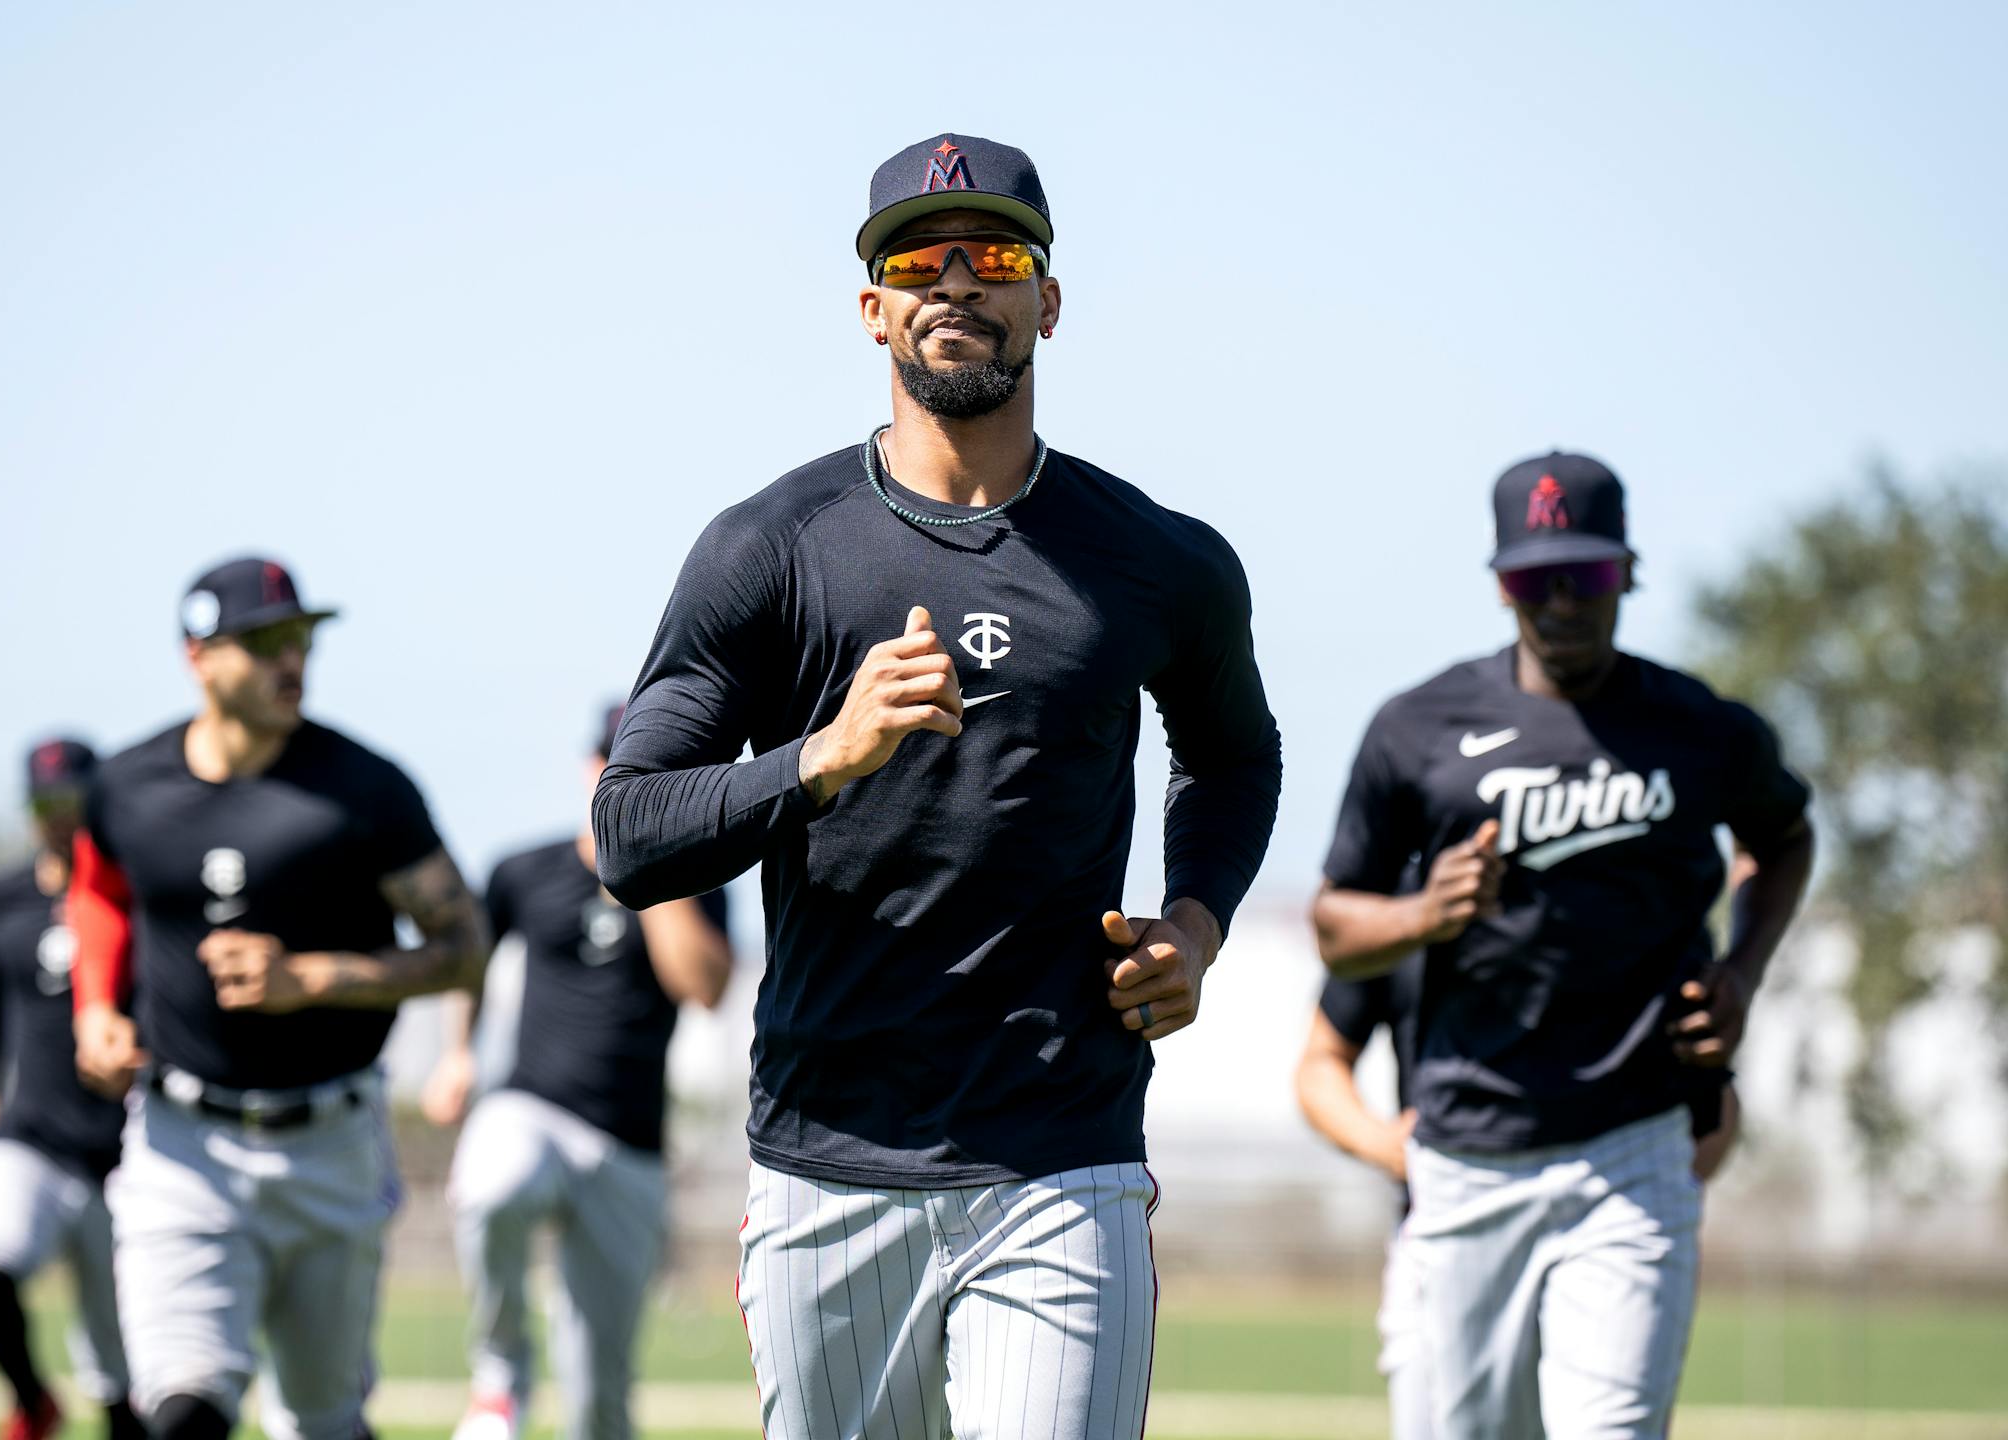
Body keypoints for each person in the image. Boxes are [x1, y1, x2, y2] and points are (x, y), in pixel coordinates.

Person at [591, 134, 1282, 1440]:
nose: (956, 283)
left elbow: (1234, 755)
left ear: (1050, 302)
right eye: (918, 259)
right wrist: (822, 760)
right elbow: (629, 833)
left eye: (997, 256)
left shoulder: (1159, 561)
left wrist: (1196, 925)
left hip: (1060, 1156)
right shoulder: (768, 552)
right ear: (873, 310)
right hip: (824, 1169)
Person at [1311, 452, 1813, 1438]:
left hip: (1634, 1152)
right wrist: (1426, 913)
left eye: (1585, 576)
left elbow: (1785, 837)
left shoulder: (1700, 729)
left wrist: (1744, 972)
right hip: (1465, 1157)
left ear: (1626, 573)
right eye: (1535, 580)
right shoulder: (1417, 730)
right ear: (1501, 584)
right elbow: (1336, 926)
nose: (1563, 604)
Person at [68, 556, 487, 1440]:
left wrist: (316, 979)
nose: (289, 660)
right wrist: (95, 1008)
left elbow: (463, 950)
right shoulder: (126, 787)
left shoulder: (365, 791)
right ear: (197, 658)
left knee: (321, 1420)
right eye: (261, 643)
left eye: (300, 638)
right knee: (183, 1408)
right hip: (180, 1146)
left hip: (329, 1147)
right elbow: (98, 888)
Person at [423, 703, 736, 1440]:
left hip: (628, 1145)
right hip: (531, 1109)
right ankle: (499, 1377)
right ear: (592, 768)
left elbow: (708, 988)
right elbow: (463, 961)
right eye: (618, 764)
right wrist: (457, 1053)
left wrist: (648, 872)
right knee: (491, 1185)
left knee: (601, 1402)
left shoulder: (694, 884)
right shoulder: (523, 870)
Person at [1294, 958, 1742, 1440]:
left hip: (1611, 1223)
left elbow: (1715, 1102)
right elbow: (1321, 1063)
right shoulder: (1406, 906)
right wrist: (1388, 1146)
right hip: (1444, 1234)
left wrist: (1658, 1188)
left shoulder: (1635, 902)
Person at [0, 738, 141, 1440]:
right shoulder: (2, 896)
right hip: (35, 1134)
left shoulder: (138, 894)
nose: (58, 818)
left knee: (125, 1384)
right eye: (43, 804)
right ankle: (32, 1399)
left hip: (130, 1151)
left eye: (72, 803)